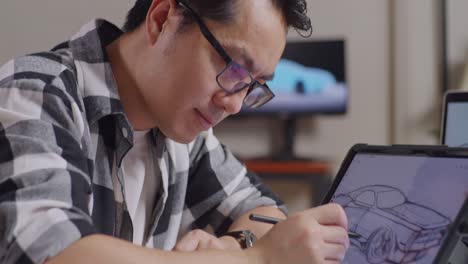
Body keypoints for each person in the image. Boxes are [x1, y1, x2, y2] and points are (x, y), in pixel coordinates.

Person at [0, 0, 349, 263]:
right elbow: (53, 252)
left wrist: (233, 244)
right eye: (232, 67)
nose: (234, 105)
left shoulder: (181, 135)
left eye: (253, 86)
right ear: (162, 18)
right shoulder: (39, 91)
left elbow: (266, 213)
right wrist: (251, 259)